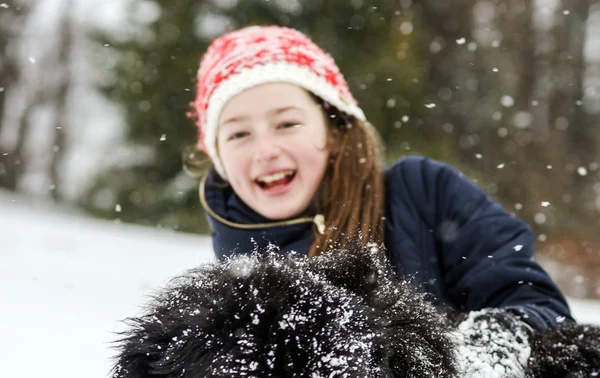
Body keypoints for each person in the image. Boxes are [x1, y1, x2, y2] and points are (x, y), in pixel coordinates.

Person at [187, 25, 573, 331]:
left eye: (287, 123)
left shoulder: (424, 192)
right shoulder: (232, 288)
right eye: (239, 134)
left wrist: (458, 368)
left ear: (334, 130)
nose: (265, 150)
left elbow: (540, 313)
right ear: (217, 155)